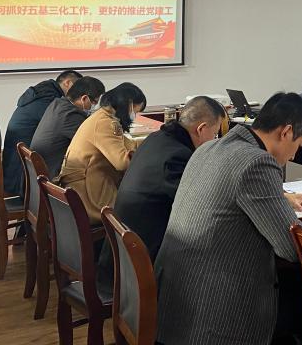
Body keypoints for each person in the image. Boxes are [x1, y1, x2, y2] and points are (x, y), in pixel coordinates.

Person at [155, 93, 302, 345]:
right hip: (213, 314)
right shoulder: (257, 162)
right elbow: (291, 248)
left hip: (176, 300)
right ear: (286, 132)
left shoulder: (210, 148)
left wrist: (281, 200)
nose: (293, 156)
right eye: (299, 145)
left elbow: (229, 197)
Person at [96, 96, 227, 294]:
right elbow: (198, 206)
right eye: (215, 134)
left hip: (121, 256)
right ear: (201, 129)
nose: (215, 141)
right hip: (139, 268)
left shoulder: (157, 139)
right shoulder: (177, 156)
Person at [57, 82, 144, 222]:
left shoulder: (102, 116)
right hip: (87, 196)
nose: (134, 115)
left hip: (78, 187)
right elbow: (122, 163)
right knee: (143, 208)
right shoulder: (106, 123)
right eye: (135, 111)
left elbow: (127, 144)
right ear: (127, 105)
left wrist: (151, 141)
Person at [2, 70, 82, 196]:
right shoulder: (49, 99)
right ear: (68, 83)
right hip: (21, 175)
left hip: (15, 165)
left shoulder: (43, 92)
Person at [29, 76, 106, 180]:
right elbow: (94, 143)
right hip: (54, 177)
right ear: (84, 98)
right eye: (95, 102)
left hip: (43, 171)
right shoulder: (70, 116)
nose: (96, 106)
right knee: (104, 169)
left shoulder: (58, 104)